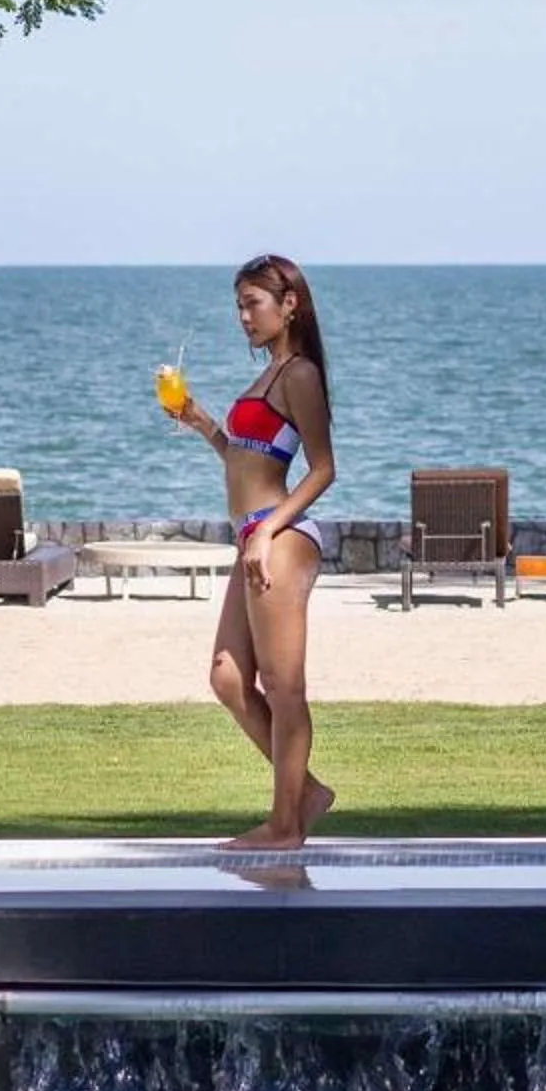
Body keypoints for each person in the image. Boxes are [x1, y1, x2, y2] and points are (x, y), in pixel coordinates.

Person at [163, 253, 338, 848]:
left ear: (289, 305)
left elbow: (322, 470)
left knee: (284, 686)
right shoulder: (268, 377)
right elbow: (245, 462)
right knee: (228, 677)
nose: (243, 317)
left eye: (252, 304)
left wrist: (267, 532)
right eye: (238, 305)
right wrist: (203, 424)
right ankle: (306, 793)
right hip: (254, 534)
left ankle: (285, 826)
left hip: (279, 535)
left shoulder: (300, 377)